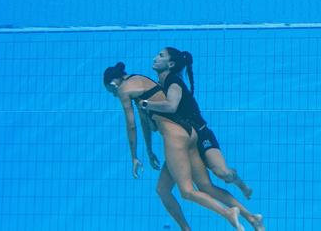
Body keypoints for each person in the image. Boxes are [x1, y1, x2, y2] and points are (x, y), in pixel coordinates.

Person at [104, 62, 253, 231]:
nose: (115, 95)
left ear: (113, 83)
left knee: (187, 191)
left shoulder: (124, 89)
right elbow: (145, 122)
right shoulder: (142, 80)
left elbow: (131, 126)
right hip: (189, 133)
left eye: (112, 93)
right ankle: (247, 218)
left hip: (175, 138)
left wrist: (134, 157)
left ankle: (228, 213)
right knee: (167, 189)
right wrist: (149, 150)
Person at [140, 48, 265, 231]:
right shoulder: (163, 84)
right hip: (185, 140)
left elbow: (172, 106)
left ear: (171, 64)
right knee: (202, 187)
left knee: (223, 174)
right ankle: (252, 218)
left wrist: (146, 104)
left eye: (160, 56)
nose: (155, 57)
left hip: (201, 133)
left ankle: (241, 184)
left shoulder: (173, 81)